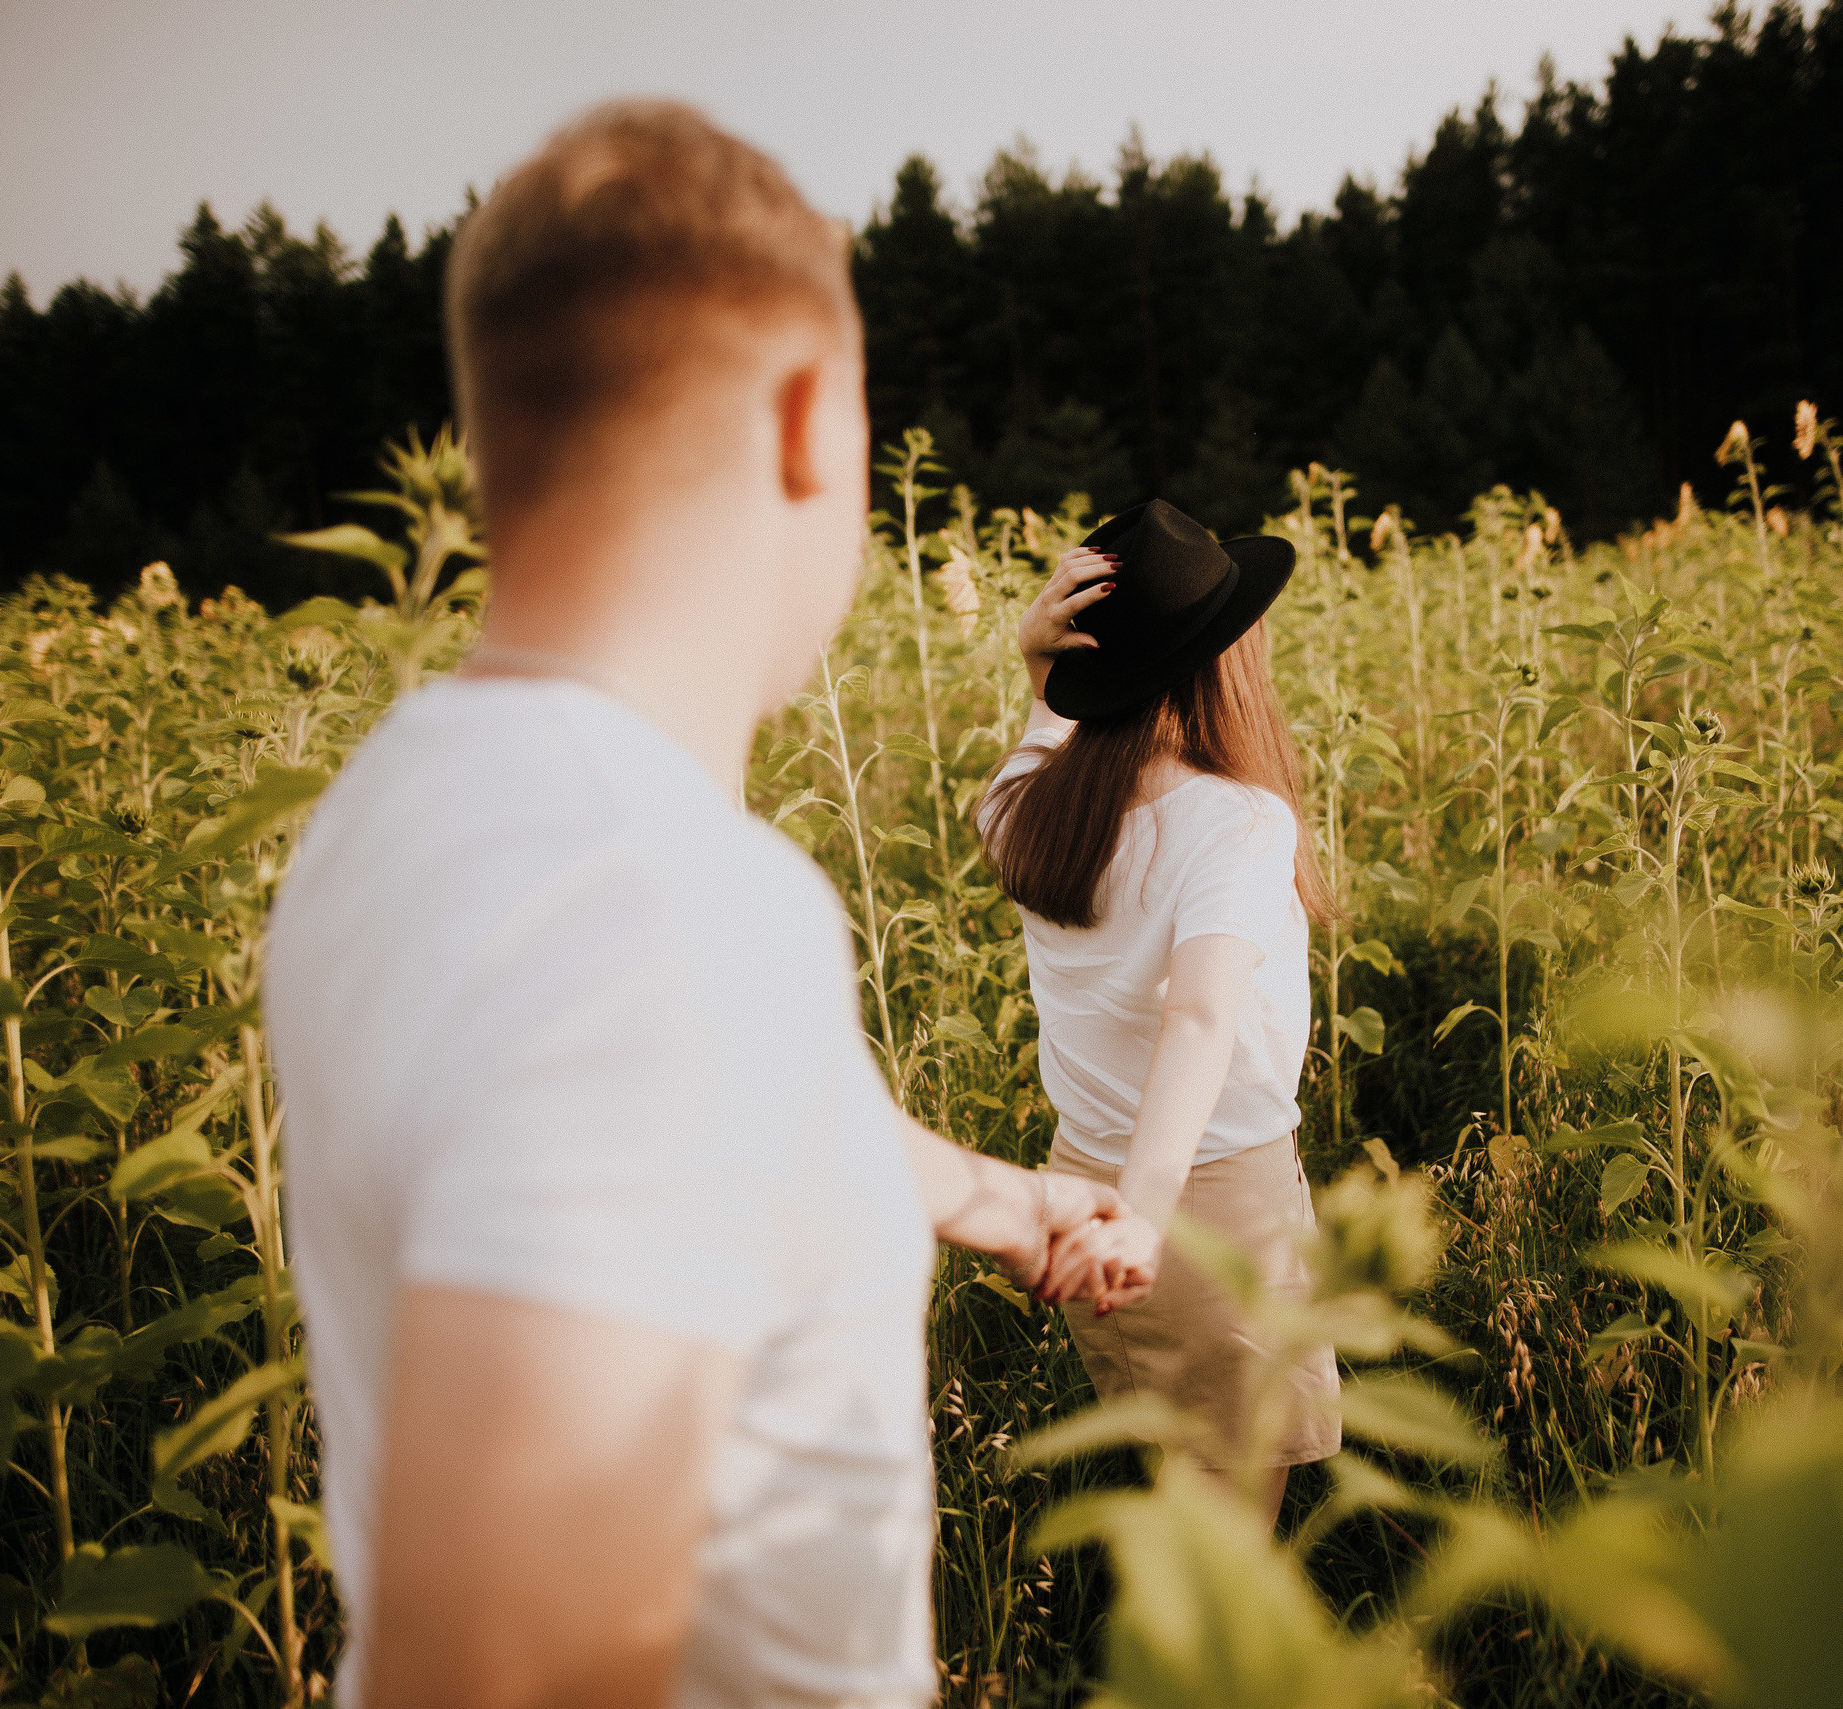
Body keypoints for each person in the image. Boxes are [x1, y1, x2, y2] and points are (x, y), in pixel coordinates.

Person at [265, 101, 1151, 1709]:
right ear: (813, 418)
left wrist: (996, 1202)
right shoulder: (657, 905)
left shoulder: (395, 809)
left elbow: (682, 1126)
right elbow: (502, 1674)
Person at [977, 498, 1343, 1526]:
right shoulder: (1233, 819)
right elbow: (1198, 1018)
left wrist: (1035, 665)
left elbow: (1043, 735)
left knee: (1174, 1475)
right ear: (1220, 661)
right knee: (1234, 1532)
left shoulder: (1023, 806)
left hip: (1081, 1176)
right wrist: (1142, 1214)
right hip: (1210, 1197)